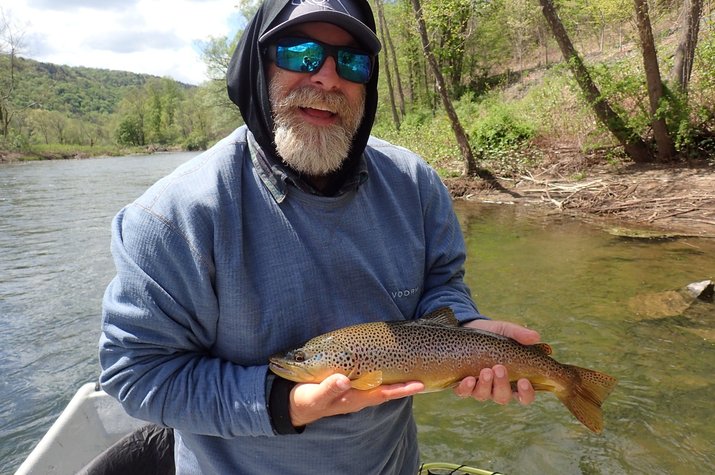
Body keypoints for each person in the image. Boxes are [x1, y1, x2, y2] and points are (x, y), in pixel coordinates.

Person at [98, 0, 540, 473]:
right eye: (300, 54)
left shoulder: (415, 184)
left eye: (350, 61)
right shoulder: (170, 219)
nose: (327, 78)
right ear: (257, 66)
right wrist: (285, 403)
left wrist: (464, 331)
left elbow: (443, 282)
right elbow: (138, 374)